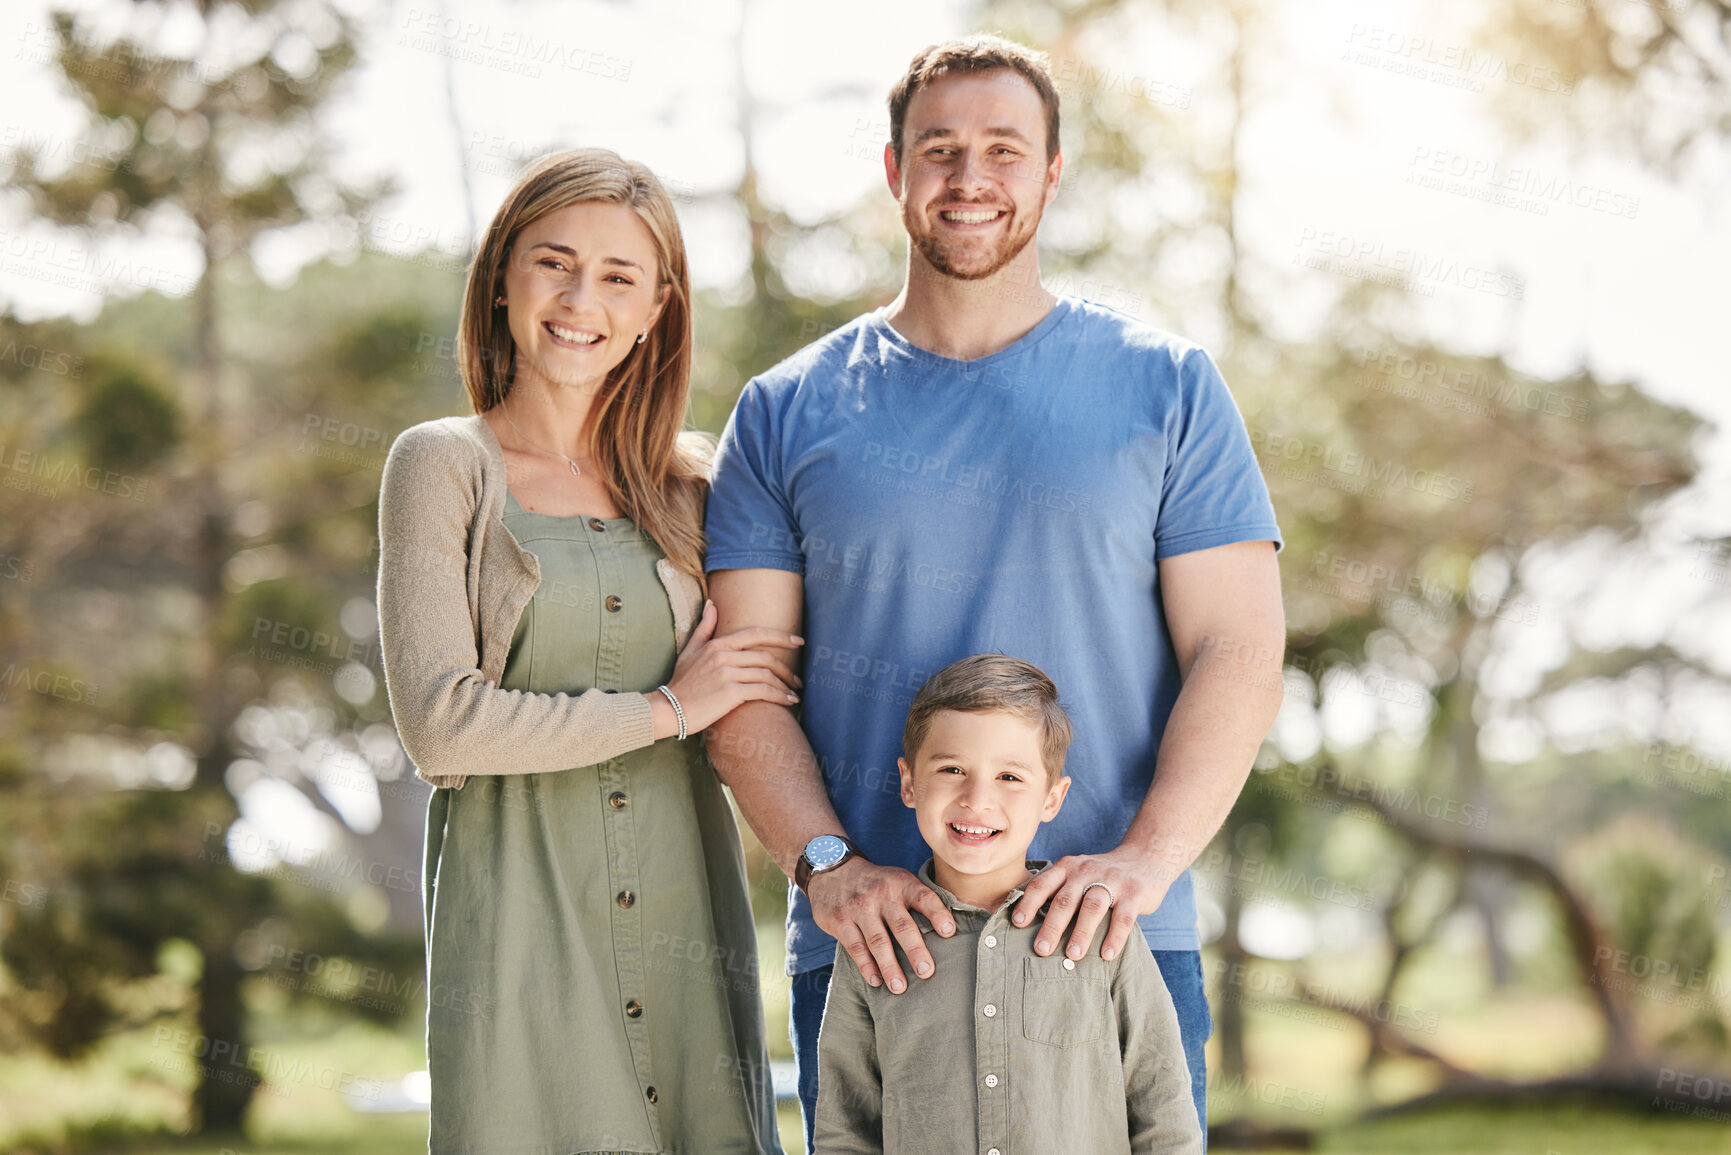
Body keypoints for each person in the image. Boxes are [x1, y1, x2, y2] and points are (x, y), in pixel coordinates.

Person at [701, 34, 1285, 1151]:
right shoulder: (782, 411)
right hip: (878, 952)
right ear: (893, 171)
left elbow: (1241, 650)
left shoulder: (1167, 387)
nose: (971, 179)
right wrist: (827, 867)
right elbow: (744, 683)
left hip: (1114, 946)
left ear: (1053, 172)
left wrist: (1144, 865)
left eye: (1004, 150)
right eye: (941, 149)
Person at [376, 147, 795, 1154]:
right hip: (523, 927)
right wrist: (666, 710)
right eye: (553, 264)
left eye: (618, 277)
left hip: (687, 915)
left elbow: (773, 680)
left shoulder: (696, 489)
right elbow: (443, 727)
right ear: (503, 283)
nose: (581, 300)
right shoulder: (443, 464)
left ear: (658, 307)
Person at [814, 654, 1203, 1155]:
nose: (978, 799)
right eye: (952, 769)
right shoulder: (875, 937)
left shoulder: (1102, 928)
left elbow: (1162, 1105)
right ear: (909, 783)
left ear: (1052, 798)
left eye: (1010, 778)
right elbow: (846, 1127)